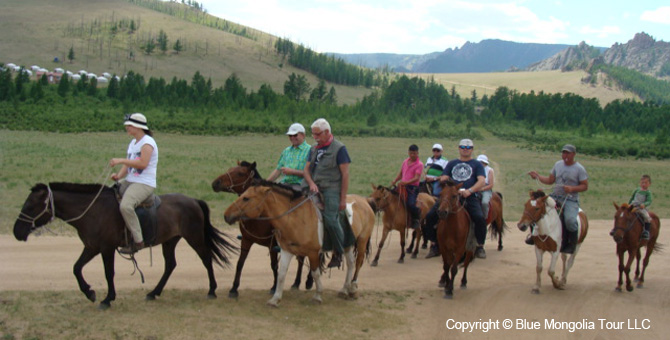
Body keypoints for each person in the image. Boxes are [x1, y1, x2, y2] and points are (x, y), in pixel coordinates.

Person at [424, 139, 488, 259]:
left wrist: (470, 190)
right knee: (430, 215)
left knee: (479, 217)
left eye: (468, 147)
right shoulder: (452, 163)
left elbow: (482, 181)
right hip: (451, 196)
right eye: (463, 147)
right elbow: (444, 176)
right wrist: (444, 180)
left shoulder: (477, 164)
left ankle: (480, 245)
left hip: (469, 196)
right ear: (459, 148)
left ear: (472, 150)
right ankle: (434, 244)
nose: (465, 149)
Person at [303, 118, 351, 268]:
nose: (315, 137)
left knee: (330, 218)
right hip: (313, 186)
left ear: (327, 132)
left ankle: (338, 252)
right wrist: (311, 183)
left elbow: (345, 175)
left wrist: (342, 199)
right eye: (313, 134)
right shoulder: (313, 149)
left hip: (332, 188)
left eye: (317, 134)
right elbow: (306, 170)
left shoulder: (339, 149)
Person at [109, 113, 158, 254]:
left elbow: (142, 163)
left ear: (138, 127)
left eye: (129, 125)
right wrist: (118, 176)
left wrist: (120, 160)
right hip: (131, 180)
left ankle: (138, 241)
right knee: (108, 195)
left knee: (126, 206)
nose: (127, 128)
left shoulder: (147, 142)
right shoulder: (133, 143)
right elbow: (129, 164)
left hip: (144, 183)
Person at [528, 144, 588, 254]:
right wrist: (537, 176)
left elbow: (585, 186)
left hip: (570, 199)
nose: (565, 155)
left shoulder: (579, 169)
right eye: (563, 152)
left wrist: (572, 188)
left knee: (570, 220)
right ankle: (533, 236)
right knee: (535, 209)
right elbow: (550, 180)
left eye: (567, 153)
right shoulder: (558, 165)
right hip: (555, 196)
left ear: (573, 154)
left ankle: (571, 244)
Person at [266, 123, 311, 190]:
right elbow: (278, 170)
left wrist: (292, 171)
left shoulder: (310, 150)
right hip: (285, 183)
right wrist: (265, 183)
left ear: (303, 135)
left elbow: (311, 173)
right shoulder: (286, 151)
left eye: (295, 135)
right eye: (290, 135)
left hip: (300, 185)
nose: (292, 138)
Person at [422, 143, 448, 255]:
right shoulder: (429, 159)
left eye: (438, 151)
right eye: (434, 150)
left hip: (438, 181)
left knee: (437, 192)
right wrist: (426, 177)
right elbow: (424, 170)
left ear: (441, 151)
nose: (436, 152)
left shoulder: (445, 161)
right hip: (428, 180)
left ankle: (437, 203)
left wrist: (435, 179)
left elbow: (445, 175)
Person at [391, 144, 424, 230]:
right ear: (408, 153)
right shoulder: (405, 162)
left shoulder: (419, 164)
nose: (412, 155)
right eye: (411, 153)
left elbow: (416, 178)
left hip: (412, 188)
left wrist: (406, 182)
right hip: (402, 185)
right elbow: (401, 174)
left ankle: (416, 219)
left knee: (411, 204)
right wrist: (395, 180)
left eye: (414, 153)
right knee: (390, 197)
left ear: (417, 153)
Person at [613, 175, 652, 239]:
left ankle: (646, 231)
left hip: (641, 208)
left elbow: (649, 201)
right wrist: (628, 205)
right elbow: (632, 198)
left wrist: (644, 204)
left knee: (647, 217)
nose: (643, 184)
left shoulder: (648, 193)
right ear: (640, 183)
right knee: (622, 215)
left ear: (649, 184)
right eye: (642, 182)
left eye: (645, 183)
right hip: (633, 206)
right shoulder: (637, 190)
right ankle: (616, 229)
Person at [477, 154, 494, 220]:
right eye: (479, 162)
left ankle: (484, 218)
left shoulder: (490, 170)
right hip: (475, 188)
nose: (481, 164)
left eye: (482, 162)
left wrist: (482, 189)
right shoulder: (474, 169)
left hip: (486, 189)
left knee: (484, 202)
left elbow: (491, 185)